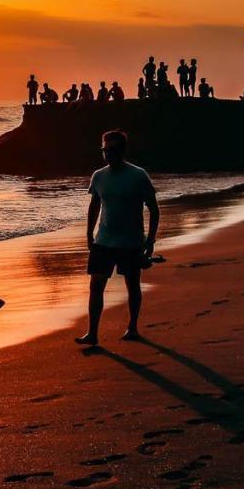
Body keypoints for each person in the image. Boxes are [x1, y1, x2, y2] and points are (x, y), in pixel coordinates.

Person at [76, 130, 160, 346]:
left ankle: (132, 327)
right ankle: (92, 333)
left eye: (112, 150)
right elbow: (94, 204)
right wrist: (89, 233)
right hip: (103, 240)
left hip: (131, 242)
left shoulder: (138, 175)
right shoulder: (98, 176)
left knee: (132, 285)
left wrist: (150, 240)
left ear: (122, 151)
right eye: (105, 150)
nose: (108, 154)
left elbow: (153, 208)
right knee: (96, 285)